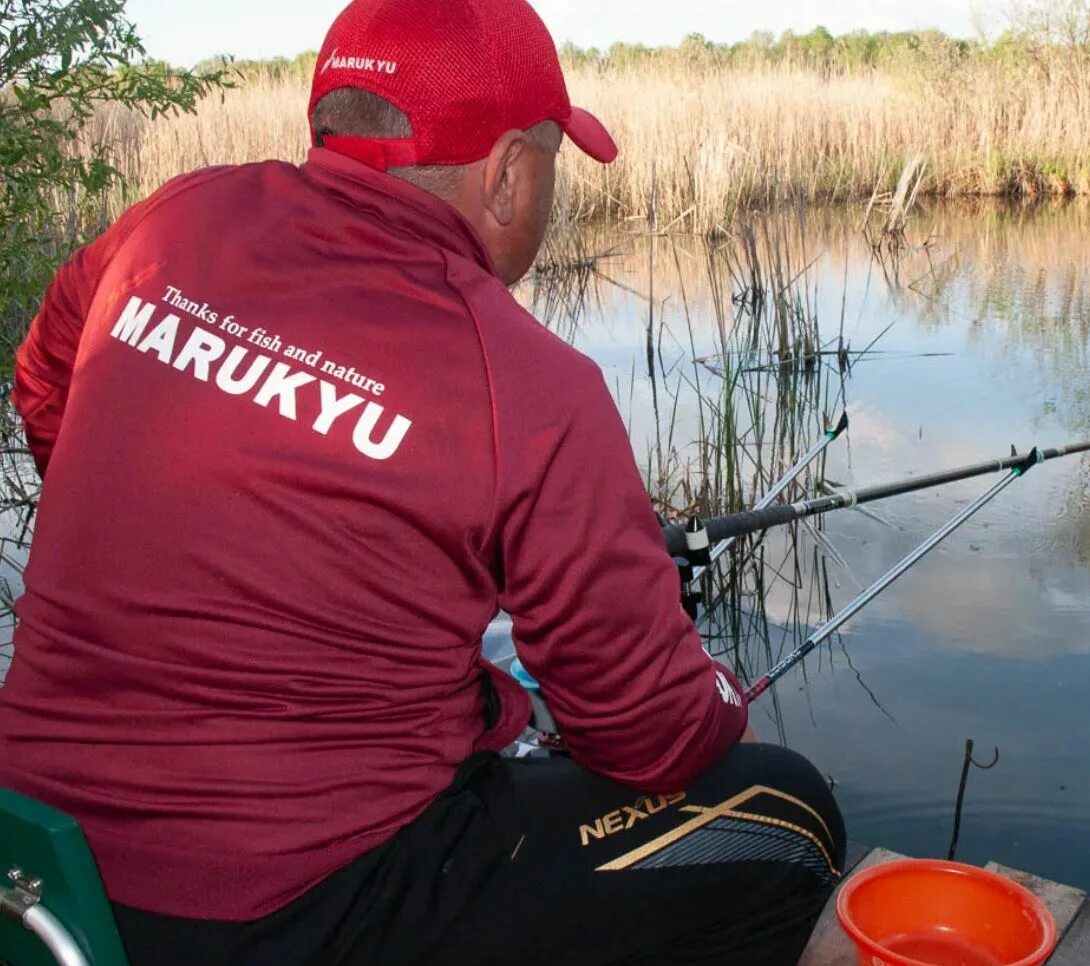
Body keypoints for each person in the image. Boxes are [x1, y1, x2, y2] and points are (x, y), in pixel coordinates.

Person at [0, 0, 846, 962]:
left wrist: (157, 545)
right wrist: (720, 691)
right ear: (508, 173)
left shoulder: (169, 223)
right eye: (554, 165)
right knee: (786, 815)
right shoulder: (527, 381)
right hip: (291, 911)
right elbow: (646, 734)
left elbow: (44, 377)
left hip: (32, 857)